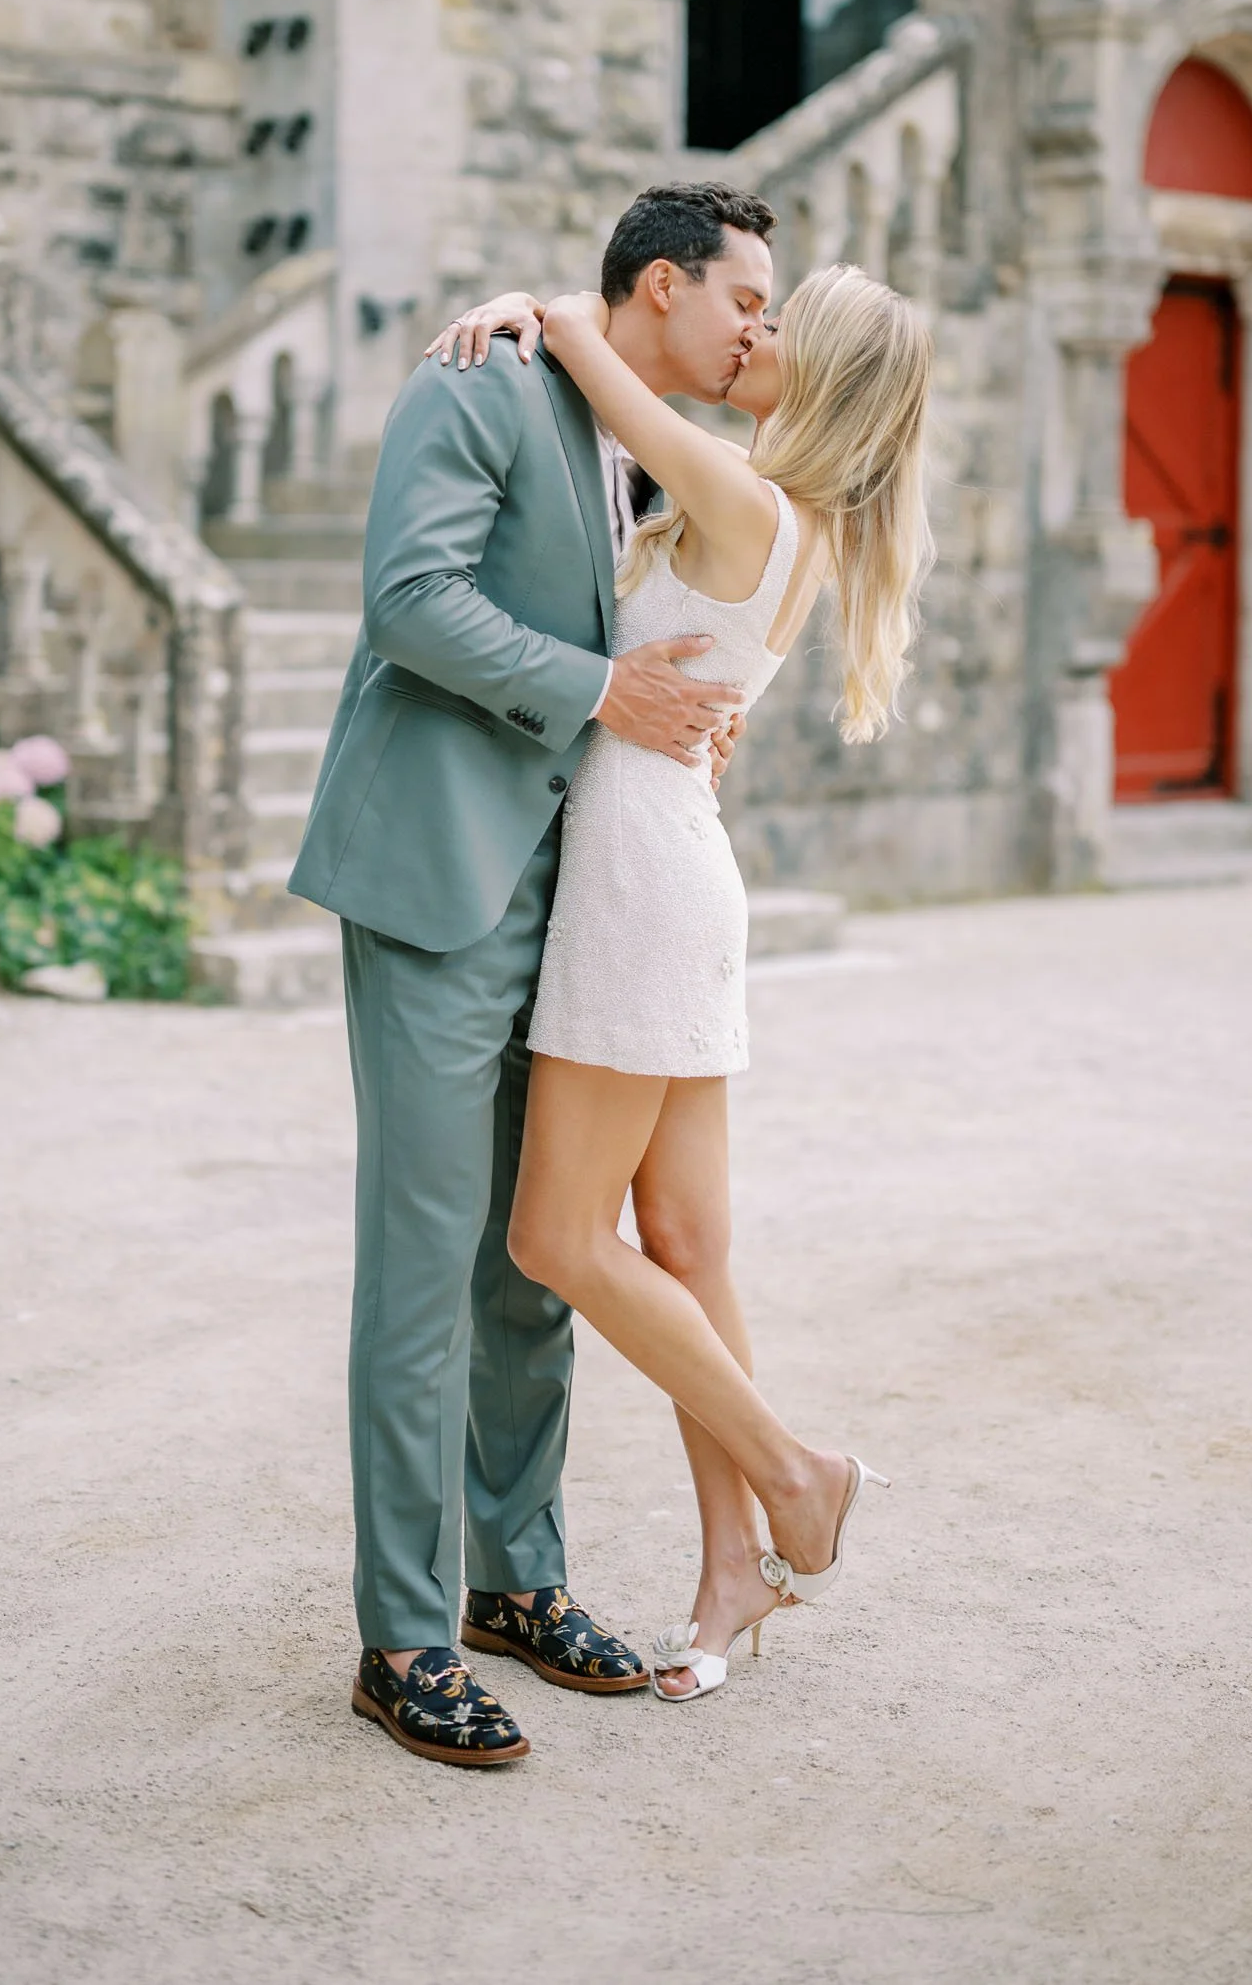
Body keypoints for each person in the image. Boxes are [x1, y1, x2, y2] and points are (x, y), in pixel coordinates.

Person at [288, 183, 778, 1765]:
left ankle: (521, 1580)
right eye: (740, 300)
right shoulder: (477, 376)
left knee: (531, 1266)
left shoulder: (641, 421)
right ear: (656, 285)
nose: (753, 330)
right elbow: (407, 601)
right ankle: (404, 1636)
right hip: (439, 882)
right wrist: (599, 694)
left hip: (584, 903)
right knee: (426, 1266)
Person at [428, 261, 933, 1701]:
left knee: (554, 1241)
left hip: (639, 888)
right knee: (690, 1250)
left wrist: (534, 304)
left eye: (780, 325)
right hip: (676, 866)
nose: (752, 335)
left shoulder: (741, 497)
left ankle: (796, 1470)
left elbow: (597, 353)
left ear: (822, 375)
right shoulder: (796, 524)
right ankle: (729, 1569)